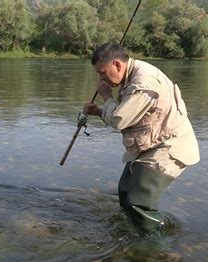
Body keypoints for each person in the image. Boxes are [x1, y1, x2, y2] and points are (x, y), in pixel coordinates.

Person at [83, 42, 200, 233]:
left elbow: (120, 120)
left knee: (137, 203)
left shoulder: (143, 84)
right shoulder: (132, 74)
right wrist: (98, 111)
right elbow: (131, 112)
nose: (100, 78)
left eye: (102, 72)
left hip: (167, 148)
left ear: (117, 65)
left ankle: (153, 243)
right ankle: (131, 232)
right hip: (150, 145)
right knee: (125, 191)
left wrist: (106, 97)